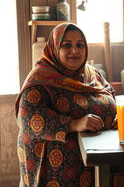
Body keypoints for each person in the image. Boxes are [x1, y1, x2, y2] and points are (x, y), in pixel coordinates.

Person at [15, 23, 116, 187]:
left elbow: (109, 95)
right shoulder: (40, 79)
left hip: (92, 164)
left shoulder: (92, 74)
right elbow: (29, 119)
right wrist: (74, 124)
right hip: (53, 171)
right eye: (67, 45)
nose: (75, 51)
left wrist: (116, 116)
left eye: (80, 45)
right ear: (55, 48)